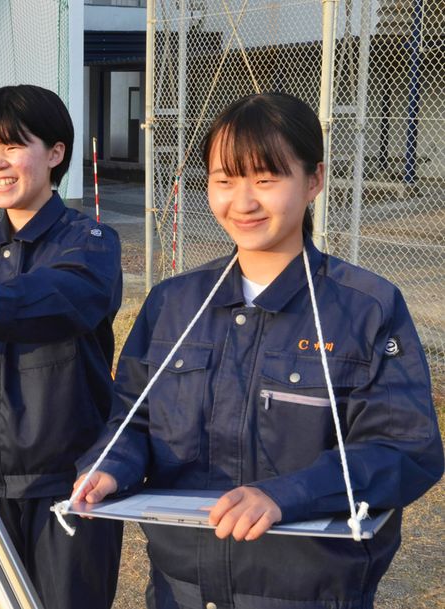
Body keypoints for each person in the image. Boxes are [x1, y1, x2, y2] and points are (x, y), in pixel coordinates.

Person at [74, 92, 444, 609]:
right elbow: (132, 420)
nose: (242, 202)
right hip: (181, 590)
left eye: (266, 180)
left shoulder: (367, 308)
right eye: (224, 180)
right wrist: (106, 466)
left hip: (310, 593)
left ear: (313, 180)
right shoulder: (173, 304)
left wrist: (285, 495)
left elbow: (405, 449)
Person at [0, 84, 124, 609]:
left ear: (56, 152)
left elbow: (71, 294)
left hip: (69, 482)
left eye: (13, 146)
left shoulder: (90, 242)